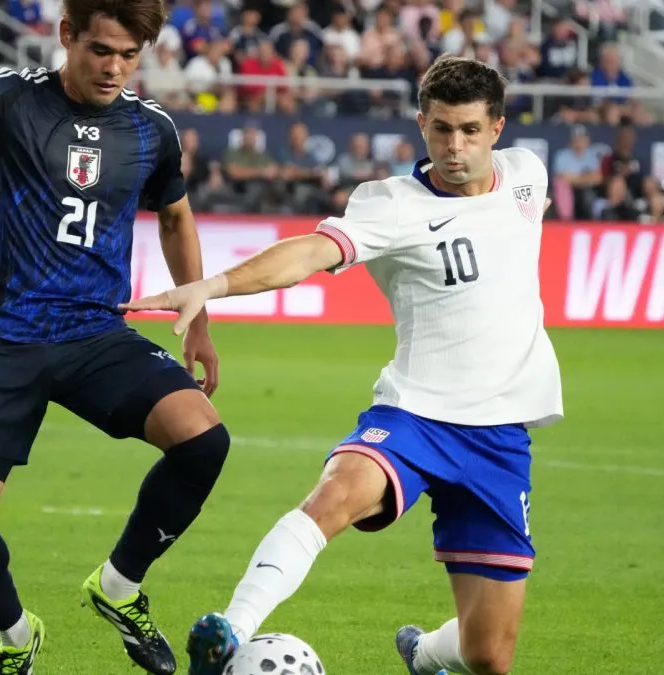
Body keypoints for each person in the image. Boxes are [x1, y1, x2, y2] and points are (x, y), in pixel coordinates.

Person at [122, 55, 563, 675]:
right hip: (416, 416)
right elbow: (307, 253)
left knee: (487, 655)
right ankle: (232, 630)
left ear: (497, 128)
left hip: (499, 437)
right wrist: (213, 285)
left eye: (468, 130)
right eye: (440, 129)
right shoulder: (392, 206)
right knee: (335, 497)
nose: (454, 146)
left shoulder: (527, 177)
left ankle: (422, 653)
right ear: (420, 124)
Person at [0, 1, 230, 672]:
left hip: (95, 331)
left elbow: (176, 218)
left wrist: (200, 323)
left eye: (130, 56)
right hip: (2, 337)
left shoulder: (150, 128)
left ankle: (118, 587)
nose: (115, 68)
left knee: (204, 438)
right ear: (67, 35)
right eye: (102, 50)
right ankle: (16, 633)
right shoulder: (8, 99)